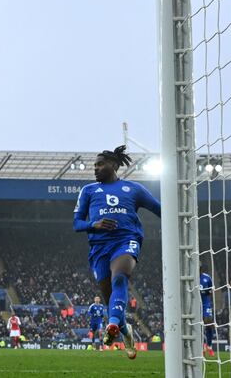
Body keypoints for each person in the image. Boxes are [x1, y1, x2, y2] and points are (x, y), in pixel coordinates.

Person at [73, 145, 161, 360]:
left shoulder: (134, 189)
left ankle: (112, 324)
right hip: (99, 248)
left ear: (113, 165)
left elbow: (161, 210)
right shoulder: (89, 191)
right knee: (110, 299)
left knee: (120, 278)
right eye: (94, 165)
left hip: (126, 240)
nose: (95, 168)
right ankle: (124, 330)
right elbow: (77, 224)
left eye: (100, 164)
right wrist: (95, 224)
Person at [201, 266, 215, 357]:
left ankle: (209, 346)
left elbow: (212, 290)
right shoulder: (191, 279)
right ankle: (201, 348)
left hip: (206, 303)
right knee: (197, 326)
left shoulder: (207, 277)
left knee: (209, 324)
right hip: (195, 304)